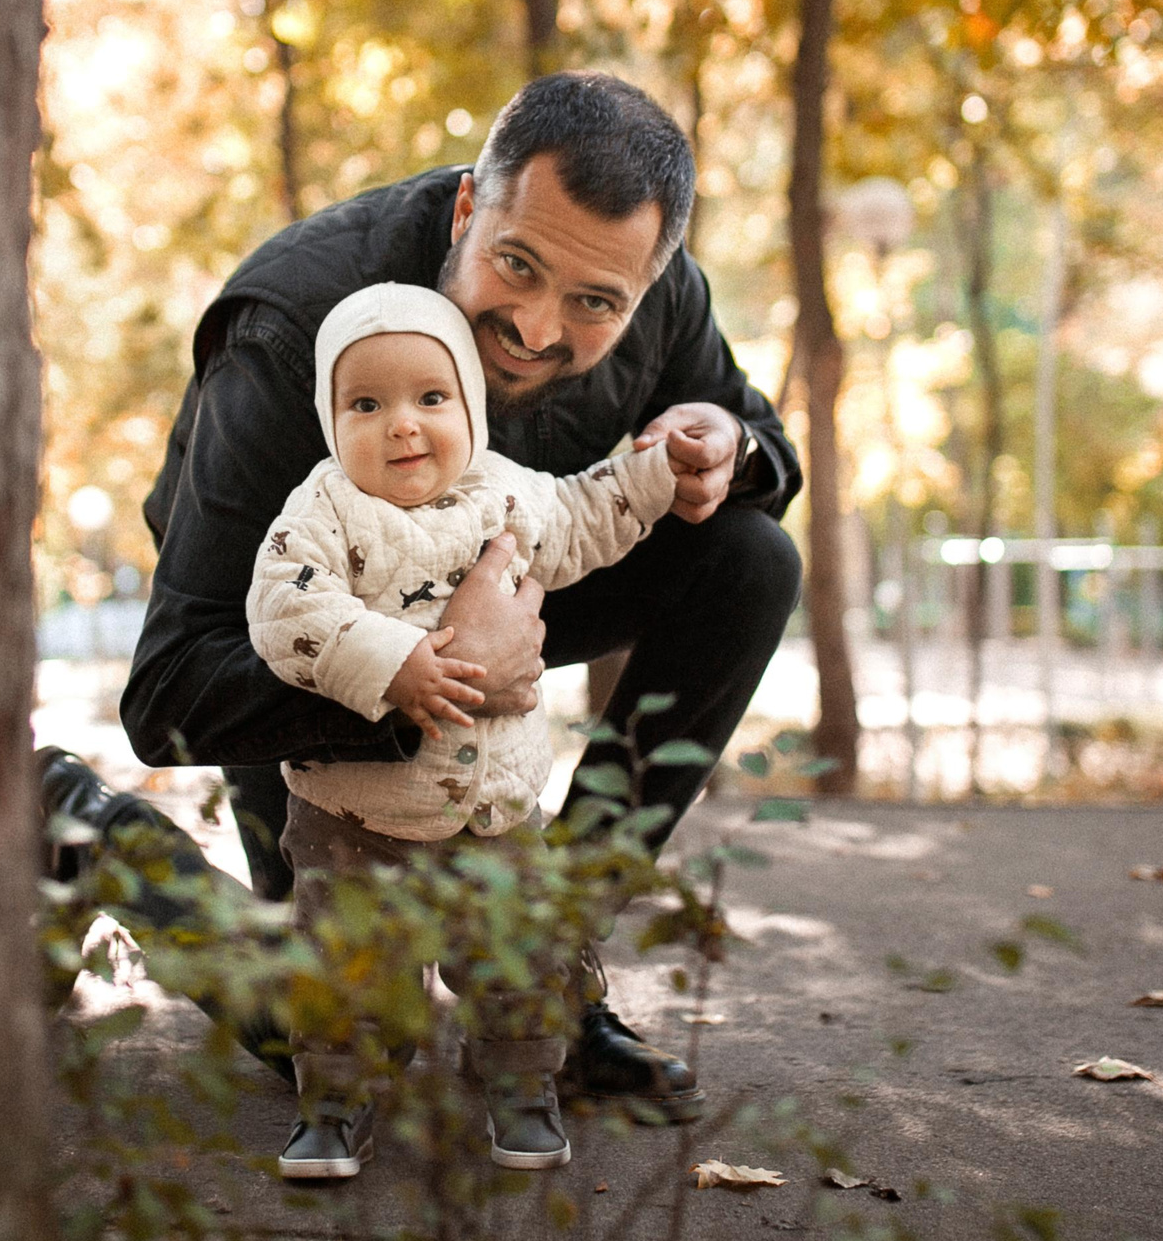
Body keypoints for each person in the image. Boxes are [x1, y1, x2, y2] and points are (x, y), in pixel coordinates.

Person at [44, 70, 803, 1123]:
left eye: (594, 304)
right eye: (515, 265)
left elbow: (760, 437)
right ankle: (80, 831)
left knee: (751, 558)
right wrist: (420, 679)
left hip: (514, 590)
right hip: (297, 641)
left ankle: (544, 977)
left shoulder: (661, 295)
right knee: (334, 1045)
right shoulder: (288, 326)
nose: (539, 328)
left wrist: (732, 450)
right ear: (465, 207)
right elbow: (170, 690)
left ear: (647, 283)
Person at [253, 283, 678, 1179]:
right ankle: (334, 1104)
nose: (402, 425)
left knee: (519, 965)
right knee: (346, 975)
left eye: (430, 398)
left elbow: (588, 514)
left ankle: (524, 1088)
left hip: (496, 819)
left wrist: (654, 467)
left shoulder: (509, 494)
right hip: (355, 823)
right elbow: (284, 608)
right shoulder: (322, 510)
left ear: (471, 409)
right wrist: (393, 663)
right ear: (333, 424)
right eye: (366, 404)